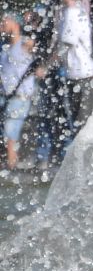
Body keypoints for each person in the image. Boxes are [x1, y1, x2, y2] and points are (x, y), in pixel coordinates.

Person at [43, 0, 93, 162]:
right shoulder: (69, 10)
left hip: (83, 76)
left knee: (83, 127)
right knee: (78, 125)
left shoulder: (74, 12)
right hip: (77, 75)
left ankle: (85, 168)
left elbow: (64, 46)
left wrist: (45, 67)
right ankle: (81, 166)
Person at [1, 14, 35, 170]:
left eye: (4, 21)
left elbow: (32, 45)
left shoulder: (25, 44)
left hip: (19, 97)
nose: (1, 24)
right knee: (8, 133)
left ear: (15, 24)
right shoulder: (4, 48)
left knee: (10, 133)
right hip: (5, 96)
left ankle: (11, 166)